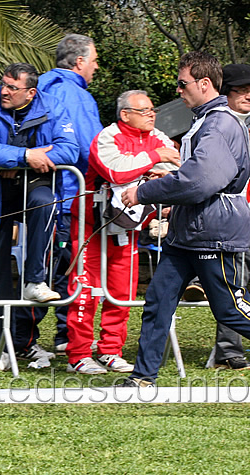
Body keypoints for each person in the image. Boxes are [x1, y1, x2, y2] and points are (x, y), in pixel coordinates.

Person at [121, 51, 250, 387]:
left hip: (214, 233)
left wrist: (145, 193)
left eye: (183, 84)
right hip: (187, 233)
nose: (178, 91)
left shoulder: (220, 123)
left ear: (204, 84)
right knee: (158, 302)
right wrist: (165, 182)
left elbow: (199, 182)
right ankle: (142, 379)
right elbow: (195, 176)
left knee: (231, 312)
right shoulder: (204, 120)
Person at [0, 63, 79, 370]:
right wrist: (23, 155)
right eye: (2, 84)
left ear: (31, 92)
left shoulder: (52, 105)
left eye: (11, 88)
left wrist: (31, 160)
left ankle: (34, 282)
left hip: (35, 184)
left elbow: (70, 150)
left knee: (46, 204)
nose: (3, 91)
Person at [65, 90, 180, 374]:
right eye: (144, 111)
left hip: (128, 226)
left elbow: (175, 165)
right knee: (85, 290)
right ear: (125, 114)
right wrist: (154, 159)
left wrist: (153, 165)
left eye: (152, 109)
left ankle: (110, 350)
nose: (151, 114)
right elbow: (115, 171)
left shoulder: (159, 137)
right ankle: (78, 354)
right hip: (92, 225)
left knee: (123, 290)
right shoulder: (107, 136)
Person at [35, 33, 104, 355]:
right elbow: (92, 147)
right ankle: (52, 336)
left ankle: (30, 337)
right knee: (65, 269)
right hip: (68, 195)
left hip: (43, 194)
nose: (96, 67)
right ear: (79, 63)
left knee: (45, 270)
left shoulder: (42, 88)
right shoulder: (73, 95)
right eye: (93, 61)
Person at [207, 63, 250, 370]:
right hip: (233, 216)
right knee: (235, 286)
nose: (249, 96)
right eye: (242, 90)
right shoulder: (218, 124)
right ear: (226, 93)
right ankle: (228, 349)